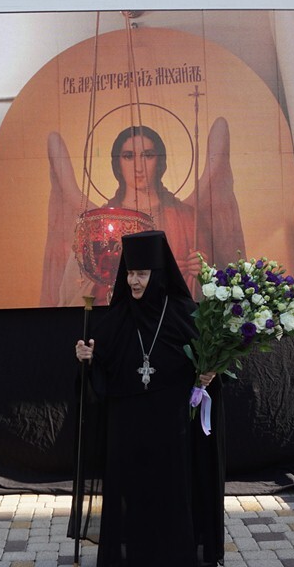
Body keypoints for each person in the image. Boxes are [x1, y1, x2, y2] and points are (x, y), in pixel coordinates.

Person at [73, 230, 225, 566]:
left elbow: (205, 364)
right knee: (134, 492)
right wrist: (88, 359)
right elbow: (102, 368)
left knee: (171, 490)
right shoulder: (118, 316)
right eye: (129, 273)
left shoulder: (184, 312)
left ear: (157, 274)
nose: (133, 281)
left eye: (141, 274)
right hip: (128, 425)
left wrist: (207, 375)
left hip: (171, 425)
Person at [42, 119, 245, 307]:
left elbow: (208, 288)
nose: (138, 167)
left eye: (148, 155)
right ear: (117, 164)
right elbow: (84, 283)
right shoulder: (101, 223)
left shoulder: (187, 218)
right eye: (128, 156)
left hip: (171, 319)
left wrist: (200, 272)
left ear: (160, 161)